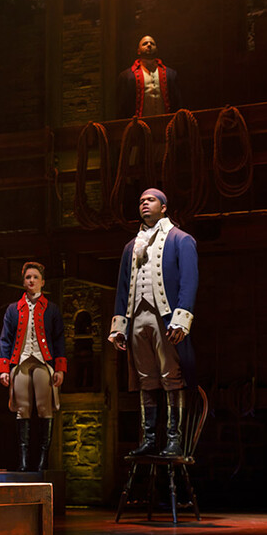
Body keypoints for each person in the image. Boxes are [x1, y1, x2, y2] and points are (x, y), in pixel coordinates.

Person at [108, 188, 198, 457]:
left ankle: (174, 439)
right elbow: (123, 287)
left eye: (150, 200)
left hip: (166, 316)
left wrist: (181, 319)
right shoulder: (130, 246)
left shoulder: (181, 240)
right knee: (146, 380)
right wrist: (119, 327)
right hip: (138, 316)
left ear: (164, 207)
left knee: (171, 376)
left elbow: (189, 281)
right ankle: (149, 440)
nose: (144, 204)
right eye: (141, 201)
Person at [0, 262, 67, 471]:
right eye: (28, 277)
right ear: (23, 281)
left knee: (45, 409)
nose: (31, 281)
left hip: (43, 362)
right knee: (22, 409)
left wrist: (60, 368)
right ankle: (24, 462)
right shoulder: (13, 309)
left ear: (42, 282)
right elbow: (5, 339)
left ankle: (42, 461)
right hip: (20, 363)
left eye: (35, 277)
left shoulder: (52, 309)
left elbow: (59, 338)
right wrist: (3, 368)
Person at [118, 35, 182, 119]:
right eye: (144, 43)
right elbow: (122, 106)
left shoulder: (170, 74)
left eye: (152, 43)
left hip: (165, 123)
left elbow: (177, 103)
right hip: (139, 127)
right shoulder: (127, 76)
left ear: (157, 49)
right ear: (138, 51)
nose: (149, 45)